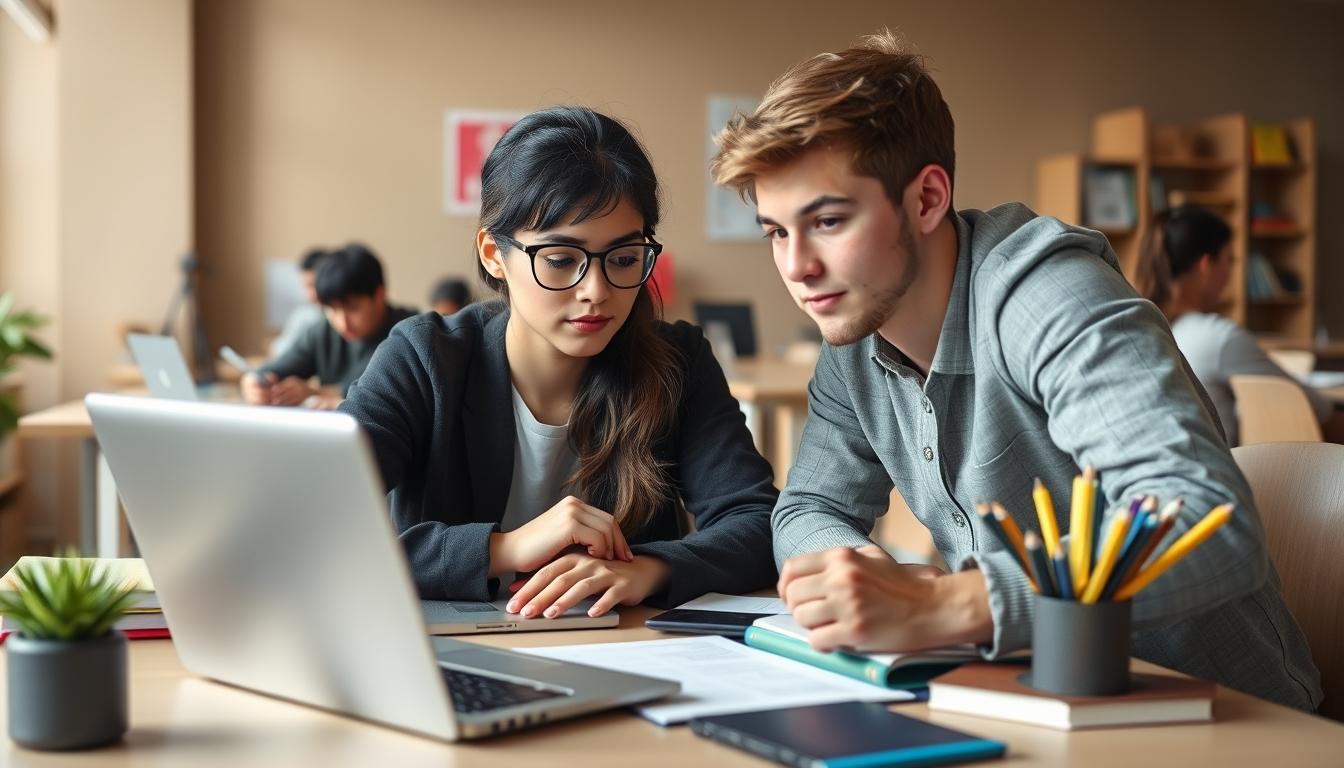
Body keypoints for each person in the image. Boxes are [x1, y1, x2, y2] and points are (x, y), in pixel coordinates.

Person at [710, 31, 1320, 710]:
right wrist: (852, 568)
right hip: (1025, 701)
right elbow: (809, 507)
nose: (796, 268)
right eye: (776, 232)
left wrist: (949, 602)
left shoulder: (1050, 295)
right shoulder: (852, 338)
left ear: (927, 198)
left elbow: (1215, 529)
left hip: (1223, 718)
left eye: (827, 221)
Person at [339, 106, 777, 617]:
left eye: (623, 258)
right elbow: (310, 524)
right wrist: (505, 548)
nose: (596, 291)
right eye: (560, 260)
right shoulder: (425, 356)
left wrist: (650, 569)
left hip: (625, 656)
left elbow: (758, 521)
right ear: (491, 253)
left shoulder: (678, 361)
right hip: (445, 658)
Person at [1133, 203, 1344, 444]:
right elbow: (1320, 413)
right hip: (1226, 474)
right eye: (1229, 261)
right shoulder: (1219, 338)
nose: (1230, 273)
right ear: (1206, 265)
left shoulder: (1146, 329)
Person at [244, 243, 415, 410]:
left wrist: (315, 392)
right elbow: (275, 371)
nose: (342, 322)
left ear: (379, 295)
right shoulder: (322, 332)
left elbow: (389, 394)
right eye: (331, 309)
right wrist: (254, 383)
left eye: (352, 308)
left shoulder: (412, 333)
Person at [269, 248, 329, 357]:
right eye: (307, 286)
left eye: (315, 285)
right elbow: (279, 349)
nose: (311, 293)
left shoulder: (340, 322)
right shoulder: (302, 316)